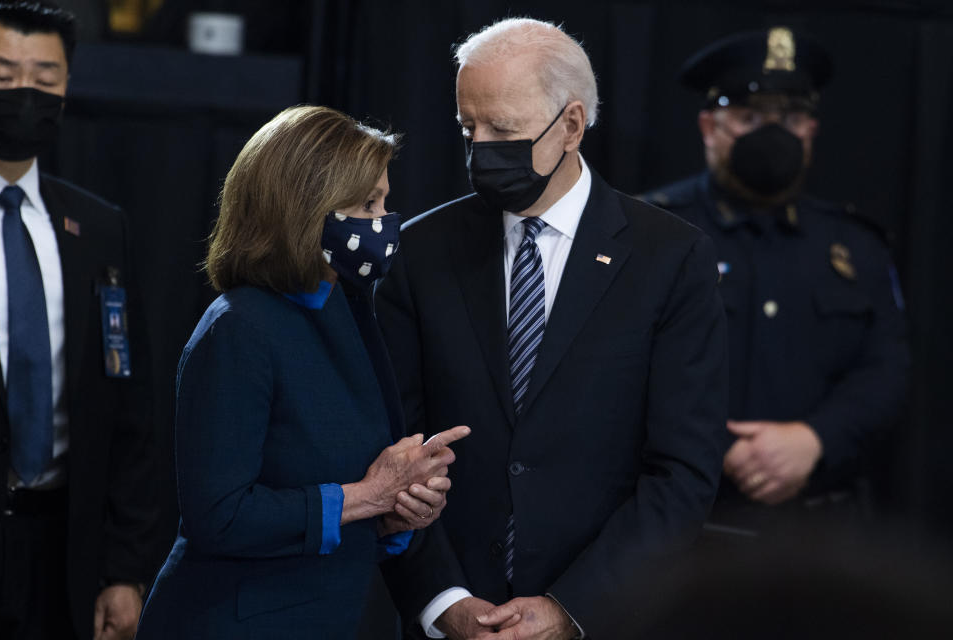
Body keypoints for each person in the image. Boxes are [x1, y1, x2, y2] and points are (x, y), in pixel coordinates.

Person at [377, 17, 729, 639]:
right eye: (468, 128)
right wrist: (443, 600)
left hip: (607, 616)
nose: (480, 148)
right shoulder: (419, 252)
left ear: (571, 125)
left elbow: (681, 474)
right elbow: (390, 448)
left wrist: (572, 610)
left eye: (503, 129)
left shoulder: (670, 258)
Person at [135, 105, 470, 639]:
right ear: (305, 207)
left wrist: (400, 513)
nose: (386, 220)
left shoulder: (347, 306)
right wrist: (371, 494)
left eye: (384, 201)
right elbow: (218, 516)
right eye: (367, 204)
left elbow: (339, 498)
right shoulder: (240, 327)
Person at [641, 27, 909, 536]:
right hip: (681, 533)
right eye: (748, 117)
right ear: (708, 126)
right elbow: (620, 367)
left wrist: (816, 438)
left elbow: (886, 368)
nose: (773, 135)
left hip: (824, 531)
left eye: (789, 118)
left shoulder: (855, 245)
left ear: (811, 128)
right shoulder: (651, 233)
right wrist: (719, 448)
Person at [0, 3, 158, 639]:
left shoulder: (99, 227)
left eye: (43, 76)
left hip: (64, 547)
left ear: (66, 88)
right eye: (3, 75)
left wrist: (125, 569)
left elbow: (131, 409)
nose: (23, 93)